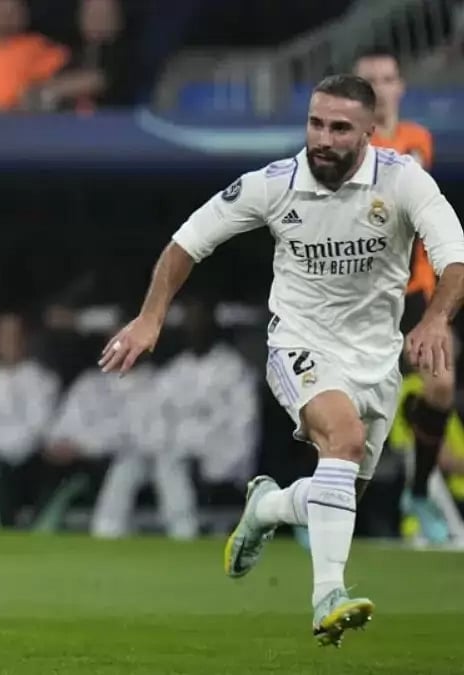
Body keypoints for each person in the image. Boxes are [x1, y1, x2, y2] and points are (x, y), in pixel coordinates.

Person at [98, 74, 464, 647]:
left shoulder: (402, 180)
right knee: (340, 441)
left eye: (340, 128)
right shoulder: (275, 184)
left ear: (369, 131)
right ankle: (328, 599)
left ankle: (267, 506)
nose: (323, 137)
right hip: (300, 344)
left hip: (376, 359)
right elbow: (187, 242)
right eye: (316, 123)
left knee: (337, 492)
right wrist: (150, 318)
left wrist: (438, 316)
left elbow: (455, 257)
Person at [354, 46, 452, 543]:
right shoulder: (343, 144)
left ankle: (418, 490)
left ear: (399, 87)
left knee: (440, 387)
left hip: (412, 291)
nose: (379, 87)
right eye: (368, 79)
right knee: (342, 410)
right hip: (359, 295)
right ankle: (316, 506)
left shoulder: (417, 140)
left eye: (387, 78)